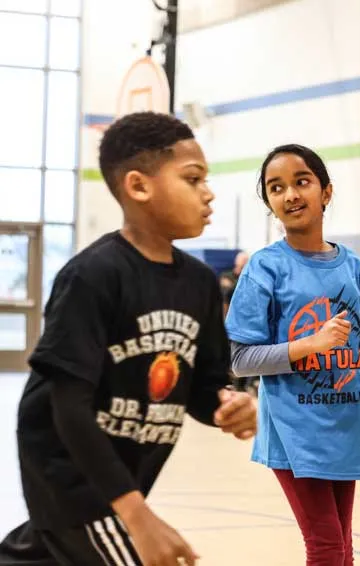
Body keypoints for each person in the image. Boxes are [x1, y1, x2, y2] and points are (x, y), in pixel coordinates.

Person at [0, 111, 257, 566]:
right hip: (73, 478)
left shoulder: (199, 284)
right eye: (193, 178)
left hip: (121, 475)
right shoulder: (93, 275)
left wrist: (226, 406)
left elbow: (201, 389)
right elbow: (68, 407)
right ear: (139, 187)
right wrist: (137, 516)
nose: (208, 192)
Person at [224, 144, 360, 566]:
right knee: (327, 548)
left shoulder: (353, 267)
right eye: (276, 188)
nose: (291, 195)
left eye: (302, 182)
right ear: (270, 204)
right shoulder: (264, 268)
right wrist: (308, 345)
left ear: (326, 192)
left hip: (346, 424)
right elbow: (241, 359)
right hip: (295, 429)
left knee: (343, 548)